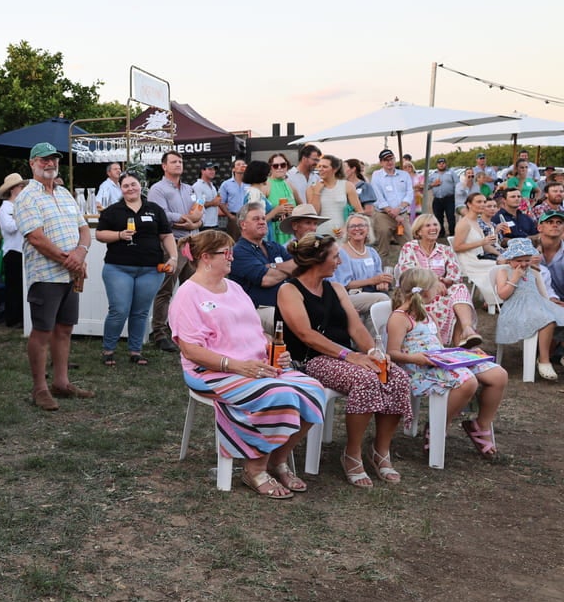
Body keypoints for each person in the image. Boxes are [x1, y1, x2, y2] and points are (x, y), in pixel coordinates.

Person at [169, 230, 326, 499]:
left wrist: (273, 349)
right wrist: (236, 366)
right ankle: (254, 469)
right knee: (280, 395)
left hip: (255, 365)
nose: (232, 257)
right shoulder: (188, 294)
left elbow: (255, 330)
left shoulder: (235, 288)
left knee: (313, 390)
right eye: (226, 253)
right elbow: (191, 350)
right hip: (211, 371)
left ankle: (278, 459)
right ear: (206, 258)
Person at [276, 233, 412, 488]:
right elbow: (306, 335)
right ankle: (352, 453)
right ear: (318, 260)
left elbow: (356, 328)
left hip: (343, 357)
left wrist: (374, 352)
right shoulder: (289, 290)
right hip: (309, 360)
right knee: (365, 379)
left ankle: (380, 451)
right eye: (335, 256)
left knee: (396, 376)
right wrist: (349, 355)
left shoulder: (336, 288)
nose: (340, 261)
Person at [386, 268, 508, 457]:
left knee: (498, 375)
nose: (439, 290)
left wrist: (466, 354)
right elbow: (391, 353)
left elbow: (440, 347)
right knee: (468, 381)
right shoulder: (399, 318)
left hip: (438, 362)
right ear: (426, 291)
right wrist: (414, 358)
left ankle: (479, 424)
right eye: (436, 286)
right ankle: (437, 426)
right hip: (418, 369)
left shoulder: (427, 314)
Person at [14, 142, 95, 411]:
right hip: (46, 275)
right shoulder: (27, 197)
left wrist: (81, 253)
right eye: (43, 160)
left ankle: (61, 382)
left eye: (53, 160)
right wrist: (70, 260)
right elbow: (36, 238)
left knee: (65, 329)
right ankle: (40, 388)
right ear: (32, 163)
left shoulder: (64, 194)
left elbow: (84, 229)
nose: (50, 164)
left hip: (70, 275)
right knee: (42, 331)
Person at [95, 171, 177, 366]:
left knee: (140, 312)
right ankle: (108, 350)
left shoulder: (154, 209)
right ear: (120, 189)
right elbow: (99, 234)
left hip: (150, 269)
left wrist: (173, 257)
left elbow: (166, 235)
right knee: (119, 310)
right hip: (118, 267)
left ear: (141, 186)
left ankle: (135, 351)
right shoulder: (113, 211)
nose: (130, 188)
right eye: (126, 186)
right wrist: (119, 235)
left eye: (133, 184)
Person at [397, 213, 483, 348]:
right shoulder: (410, 247)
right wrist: (433, 282)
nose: (433, 228)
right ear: (419, 231)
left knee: (460, 288)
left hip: (441, 294)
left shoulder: (445, 250)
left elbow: (456, 273)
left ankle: (468, 330)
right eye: (428, 225)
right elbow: (407, 273)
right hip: (418, 296)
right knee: (456, 307)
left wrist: (446, 280)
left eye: (435, 224)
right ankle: (458, 345)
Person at [146, 151, 202, 351]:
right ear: (164, 166)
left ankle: (186, 329)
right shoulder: (157, 189)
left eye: (180, 161)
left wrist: (194, 221)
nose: (178, 164)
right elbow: (160, 214)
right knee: (166, 289)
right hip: (172, 244)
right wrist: (185, 219)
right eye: (174, 162)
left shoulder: (189, 188)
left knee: (192, 289)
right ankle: (159, 333)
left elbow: (199, 211)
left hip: (192, 243)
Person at [494, 238, 564, 381]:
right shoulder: (504, 271)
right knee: (547, 320)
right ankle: (544, 360)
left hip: (536, 303)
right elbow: (503, 295)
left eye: (526, 260)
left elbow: (541, 292)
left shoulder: (533, 271)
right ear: (510, 259)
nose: (523, 264)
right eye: (519, 260)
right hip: (516, 308)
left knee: (559, 314)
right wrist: (514, 279)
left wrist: (551, 303)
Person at [229, 202, 295, 309]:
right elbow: (266, 280)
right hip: (259, 309)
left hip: (286, 303)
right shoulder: (239, 251)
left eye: (263, 219)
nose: (262, 222)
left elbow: (297, 267)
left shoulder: (274, 246)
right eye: (256, 219)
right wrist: (288, 269)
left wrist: (272, 266)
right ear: (243, 225)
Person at [332, 213, 392, 330]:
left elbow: (378, 276)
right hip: (351, 295)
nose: (357, 229)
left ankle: (374, 345)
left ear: (368, 229)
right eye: (353, 226)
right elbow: (344, 284)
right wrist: (374, 280)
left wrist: (382, 283)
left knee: (376, 310)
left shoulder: (372, 252)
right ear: (347, 231)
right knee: (383, 300)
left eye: (361, 225)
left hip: (370, 293)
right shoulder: (342, 252)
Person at [452, 192, 500, 308]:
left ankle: (498, 299)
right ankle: (493, 302)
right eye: (479, 202)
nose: (483, 204)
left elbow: (485, 245)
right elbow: (457, 247)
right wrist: (481, 242)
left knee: (507, 263)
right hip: (469, 261)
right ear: (469, 204)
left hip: (480, 257)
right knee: (501, 268)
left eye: (484, 202)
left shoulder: (476, 222)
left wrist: (500, 254)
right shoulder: (464, 223)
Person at [0, 172, 29, 328]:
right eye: (20, 186)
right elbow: (10, 228)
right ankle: (12, 319)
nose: (22, 188)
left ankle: (21, 317)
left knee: (21, 286)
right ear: (12, 189)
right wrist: (22, 218)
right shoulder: (5, 209)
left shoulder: (18, 207)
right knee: (14, 287)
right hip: (13, 251)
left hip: (23, 251)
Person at [370, 149, 413, 264]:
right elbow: (379, 198)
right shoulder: (376, 176)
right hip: (383, 216)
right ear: (381, 162)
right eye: (386, 160)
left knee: (410, 246)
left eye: (391, 159)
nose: (389, 162)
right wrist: (393, 213)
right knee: (383, 249)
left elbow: (409, 194)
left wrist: (399, 209)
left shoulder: (404, 175)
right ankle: (380, 274)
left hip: (402, 215)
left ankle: (410, 271)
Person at [307, 154, 362, 237]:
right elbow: (313, 215)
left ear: (335, 169)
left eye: (324, 167)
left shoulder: (347, 186)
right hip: (320, 236)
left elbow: (359, 212)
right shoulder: (312, 189)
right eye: (319, 166)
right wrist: (317, 193)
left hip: (342, 235)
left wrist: (346, 228)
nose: (320, 169)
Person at [264, 154, 301, 245]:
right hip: (273, 233)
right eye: (276, 166)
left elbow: (301, 207)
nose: (279, 168)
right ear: (271, 168)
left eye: (283, 165)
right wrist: (276, 212)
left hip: (291, 233)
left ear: (287, 166)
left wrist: (294, 212)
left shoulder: (290, 185)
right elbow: (257, 216)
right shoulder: (266, 185)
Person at [217, 159, 247, 239]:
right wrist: (230, 216)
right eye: (238, 164)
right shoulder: (226, 184)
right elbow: (220, 202)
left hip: (249, 216)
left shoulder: (250, 183)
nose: (242, 166)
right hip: (234, 217)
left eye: (243, 164)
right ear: (233, 169)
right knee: (234, 242)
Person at [428, 157, 457, 236]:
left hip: (449, 198)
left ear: (445, 164)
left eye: (443, 163)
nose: (441, 165)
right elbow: (427, 186)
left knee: (450, 216)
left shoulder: (451, 173)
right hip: (437, 199)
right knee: (438, 217)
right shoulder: (433, 175)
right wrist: (433, 184)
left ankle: (452, 233)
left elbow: (457, 184)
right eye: (439, 163)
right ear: (437, 165)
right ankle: (441, 233)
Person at [193, 161, 220, 230]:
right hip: (204, 224)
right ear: (203, 171)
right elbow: (197, 206)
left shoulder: (213, 186)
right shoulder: (197, 186)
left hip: (214, 223)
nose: (213, 171)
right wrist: (212, 203)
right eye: (210, 169)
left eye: (214, 169)